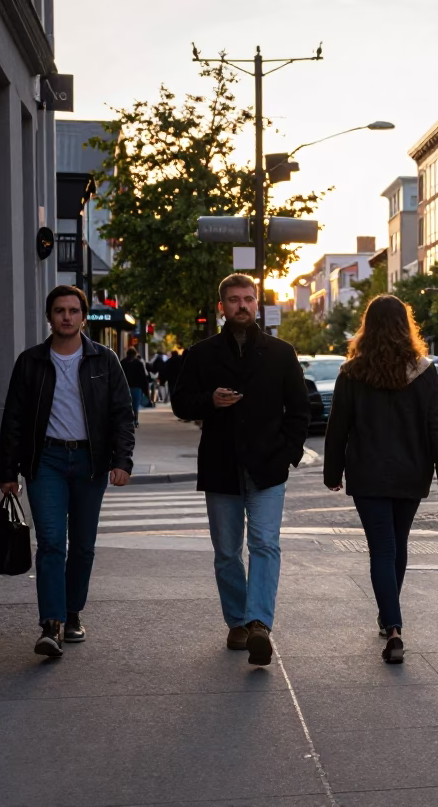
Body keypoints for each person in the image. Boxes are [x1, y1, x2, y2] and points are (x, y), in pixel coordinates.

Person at [172, 274, 310, 666]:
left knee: (265, 545)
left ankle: (259, 624)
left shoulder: (282, 352)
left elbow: (299, 410)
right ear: (222, 307)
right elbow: (181, 403)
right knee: (227, 553)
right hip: (221, 467)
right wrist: (210, 401)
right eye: (234, 300)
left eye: (248, 299)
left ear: (258, 304)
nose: (242, 306)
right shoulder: (201, 354)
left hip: (268, 468)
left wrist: (288, 453)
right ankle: (236, 622)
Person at [0, 285, 135, 658]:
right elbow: (13, 420)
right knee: (52, 542)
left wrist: (123, 460)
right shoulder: (30, 362)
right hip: (47, 462)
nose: (67, 317)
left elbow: (123, 414)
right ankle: (51, 624)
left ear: (83, 317)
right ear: (49, 316)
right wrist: (7, 471)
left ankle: (73, 612)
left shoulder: (104, 361)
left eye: (74, 310)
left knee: (84, 546)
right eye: (60, 310)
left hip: (91, 463)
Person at [323, 295, 438, 664]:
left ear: (367, 327)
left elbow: (338, 429)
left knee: (382, 548)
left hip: (367, 473)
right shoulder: (423, 370)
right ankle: (390, 618)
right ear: (406, 325)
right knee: (397, 545)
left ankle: (393, 624)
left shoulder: (351, 372)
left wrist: (332, 472)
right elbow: (437, 428)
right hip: (412, 471)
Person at [120, 348, 149, 427]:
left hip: (125, 388)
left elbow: (119, 376)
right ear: (135, 354)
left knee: (127, 405)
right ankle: (135, 420)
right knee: (135, 406)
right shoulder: (138, 363)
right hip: (137, 388)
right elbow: (143, 377)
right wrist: (146, 390)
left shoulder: (122, 363)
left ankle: (128, 421)